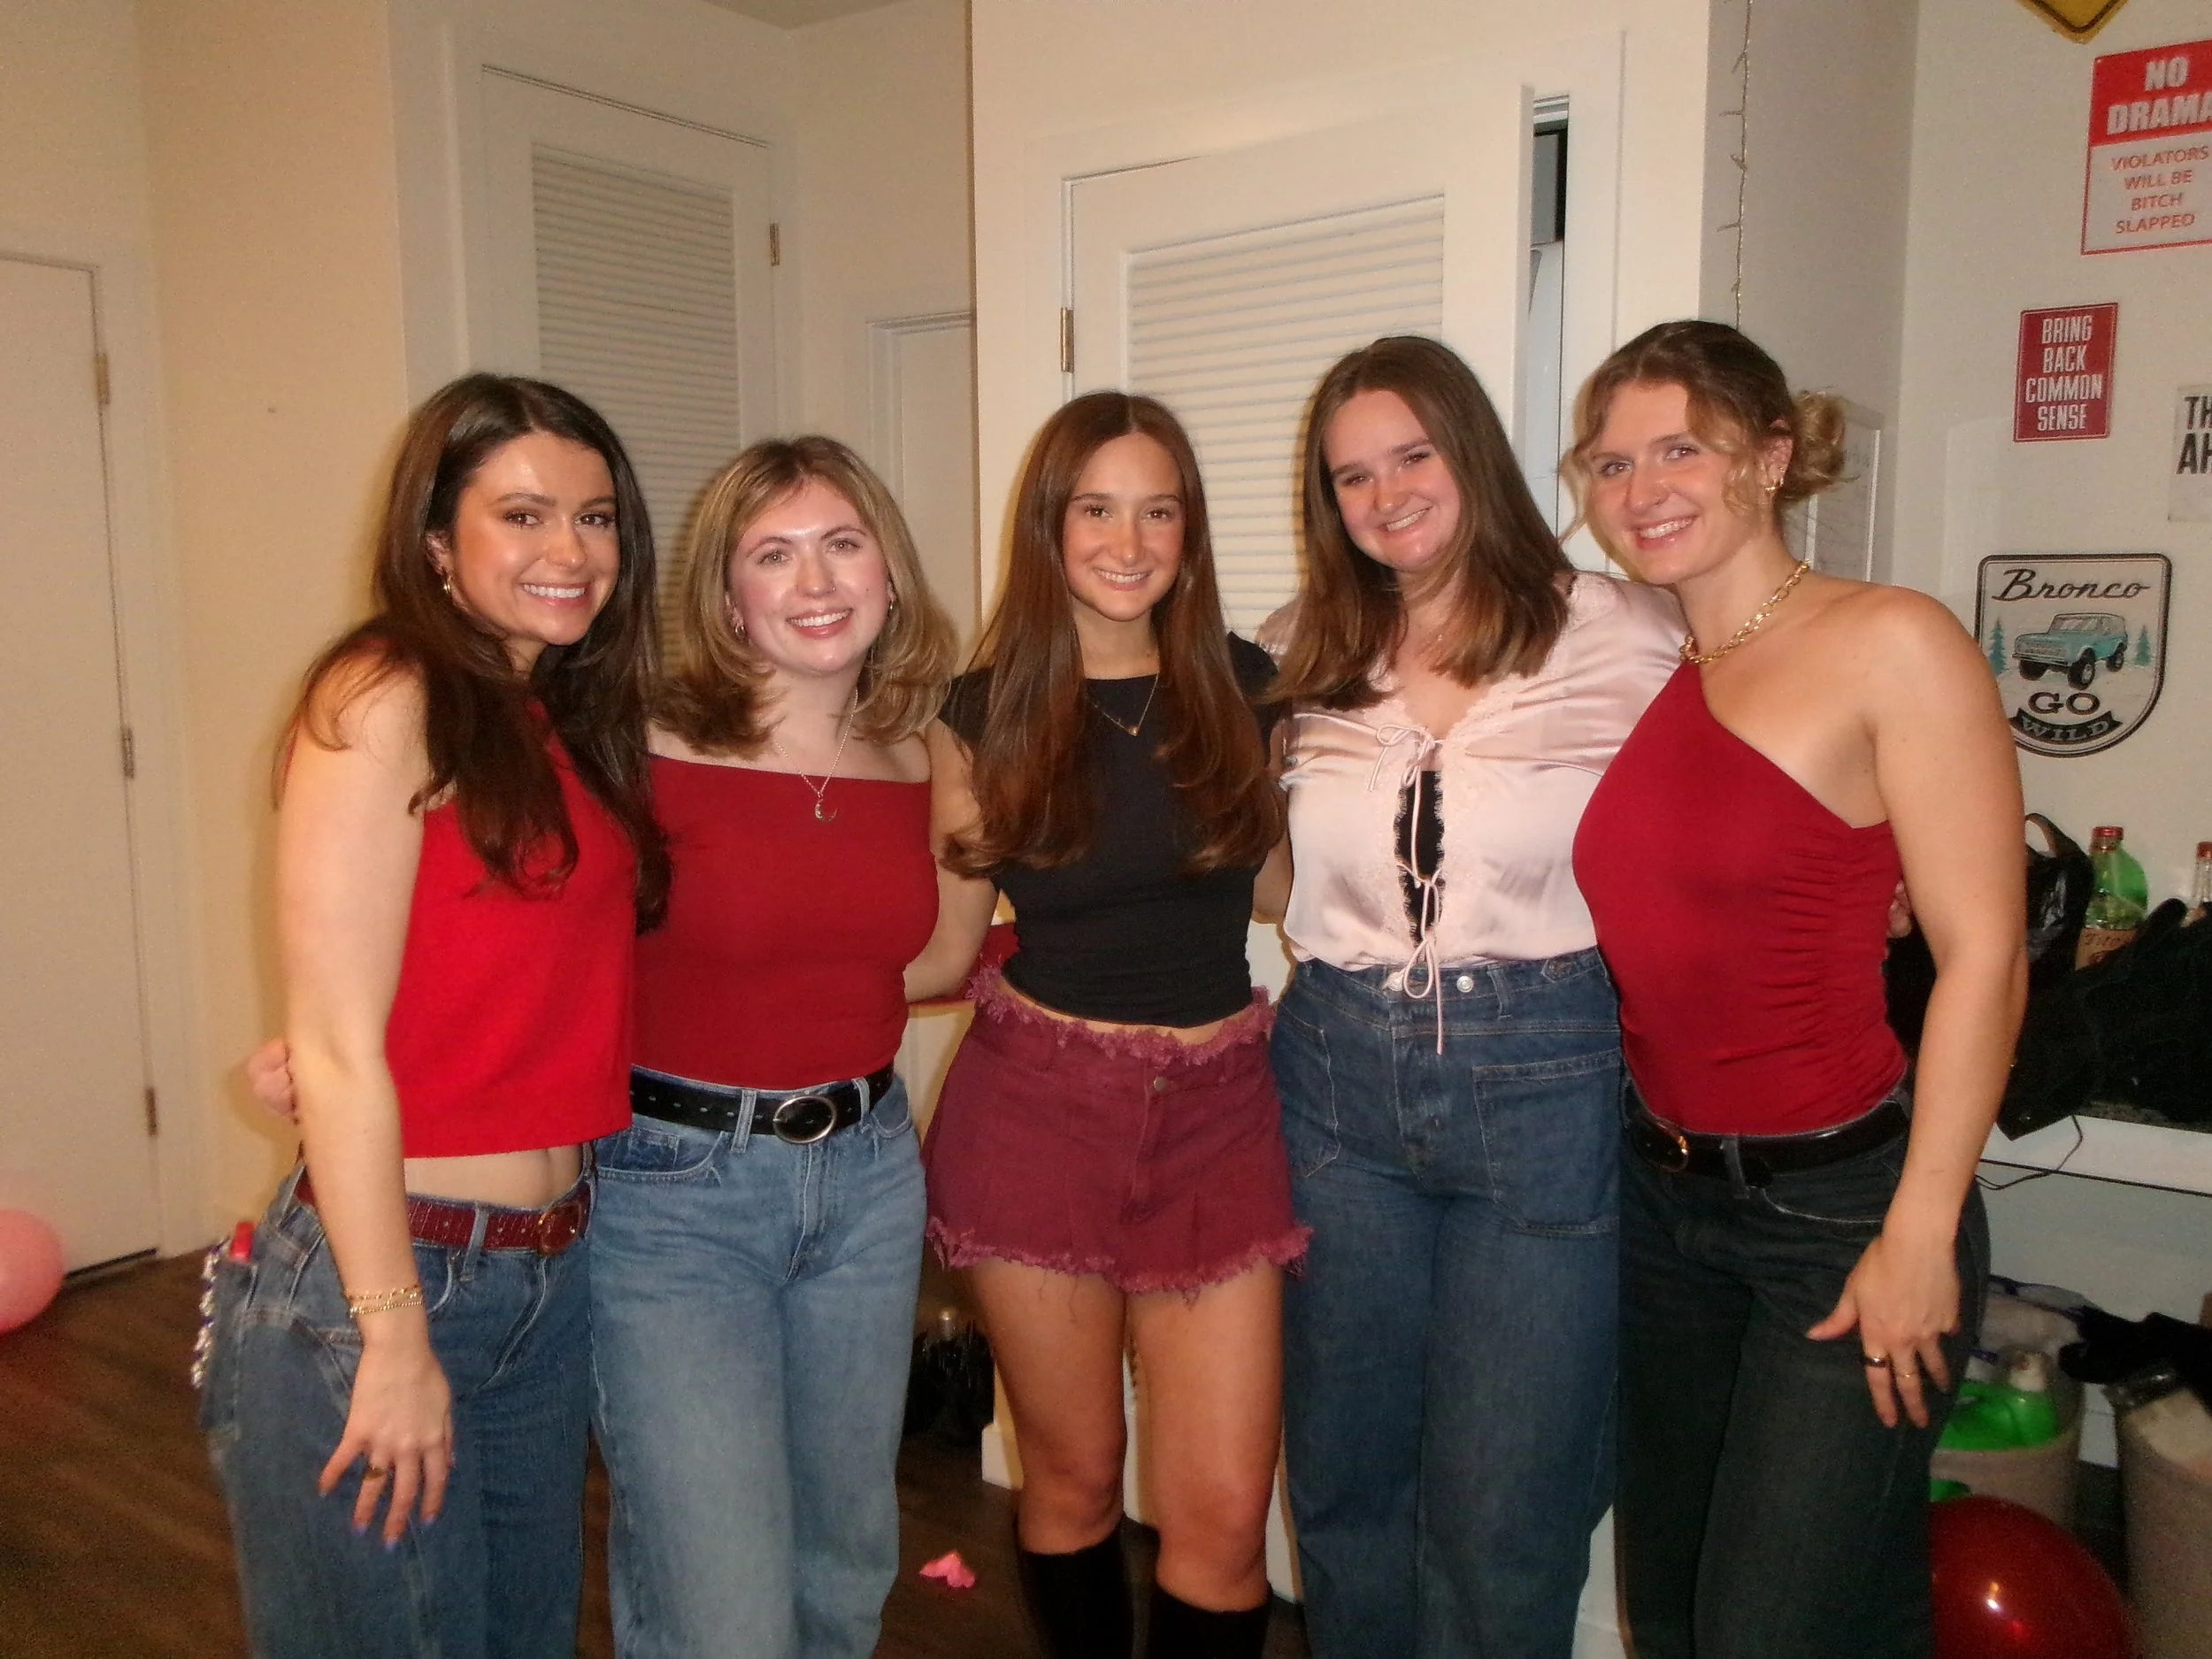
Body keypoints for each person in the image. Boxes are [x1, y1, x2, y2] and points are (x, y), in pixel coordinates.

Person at [1567, 320, 2024, 1659]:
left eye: (1680, 448)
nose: (1640, 486)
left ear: (1771, 457)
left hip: (1841, 1212)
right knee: (1700, 1602)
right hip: (1663, 1204)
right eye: (1608, 462)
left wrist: (1922, 1229)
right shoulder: (1653, 657)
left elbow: (1984, 955)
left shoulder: (1893, 639)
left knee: (1761, 1629)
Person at [202, 373, 669, 1659]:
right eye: (521, 516)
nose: (569, 551)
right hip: (397, 1274)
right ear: (436, 545)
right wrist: (387, 1336)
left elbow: (496, 979)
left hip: (549, 1269)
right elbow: (344, 1045)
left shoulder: (561, 720)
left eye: (594, 517)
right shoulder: (380, 693)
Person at [1263, 334, 1681, 1659]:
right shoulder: (1295, 647)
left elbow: (1779, 763)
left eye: (1412, 456)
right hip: (1332, 1075)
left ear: (1472, 454)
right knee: (1344, 1477)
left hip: (1546, 1077)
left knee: (1510, 1498)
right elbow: (1262, 864)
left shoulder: (1625, 629)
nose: (1384, 496)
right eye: (1350, 477)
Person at [911, 390, 1302, 1659]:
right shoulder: (978, 716)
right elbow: (944, 947)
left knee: (1226, 1518)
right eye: (1096, 509)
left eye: (1158, 510)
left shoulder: (1247, 685)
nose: (1128, 541)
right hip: (1039, 1117)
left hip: (1222, 1119)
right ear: (1049, 526)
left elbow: (1293, 891)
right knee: (1076, 1484)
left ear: (1188, 532)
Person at [592, 434, 955, 1659]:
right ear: (728, 595)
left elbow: (931, 956)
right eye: (775, 552)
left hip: (866, 1173)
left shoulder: (916, 753)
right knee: (719, 1601)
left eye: (843, 543)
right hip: (675, 1191)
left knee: (844, 1563)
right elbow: (515, 918)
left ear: (890, 574)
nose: (816, 580)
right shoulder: (636, 750)